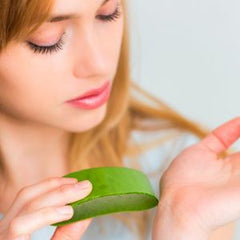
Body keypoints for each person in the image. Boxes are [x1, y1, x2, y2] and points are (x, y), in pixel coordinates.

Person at [0, 0, 239, 239]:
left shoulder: (181, 171)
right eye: (48, 40)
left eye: (107, 14)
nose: (99, 65)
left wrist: (183, 229)